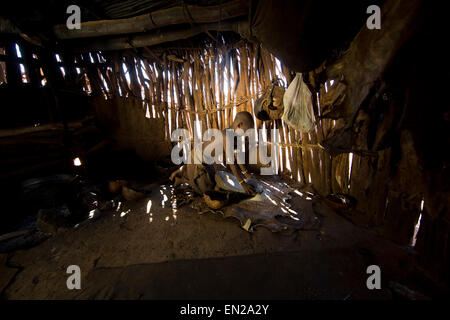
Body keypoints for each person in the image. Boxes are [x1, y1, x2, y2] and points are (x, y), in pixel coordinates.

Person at [169, 111, 256, 202]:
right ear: (240, 125)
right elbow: (232, 164)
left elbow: (236, 155)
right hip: (197, 158)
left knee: (214, 182)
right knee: (205, 191)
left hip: (206, 159)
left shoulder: (233, 135)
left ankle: (185, 169)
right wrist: (242, 183)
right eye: (245, 131)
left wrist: (246, 173)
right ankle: (181, 176)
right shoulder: (226, 136)